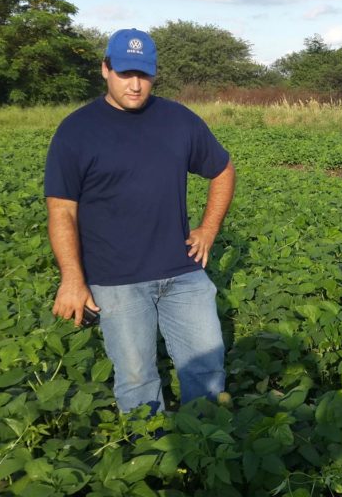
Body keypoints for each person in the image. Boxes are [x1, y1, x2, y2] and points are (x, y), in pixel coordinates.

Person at [44, 28, 236, 413]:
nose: (135, 84)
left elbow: (222, 169)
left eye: (144, 74)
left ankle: (209, 455)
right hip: (116, 280)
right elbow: (62, 210)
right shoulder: (76, 131)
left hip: (182, 272)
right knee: (136, 381)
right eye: (125, 73)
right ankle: (152, 461)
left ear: (154, 74)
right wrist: (72, 279)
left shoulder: (178, 120)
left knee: (208, 375)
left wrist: (208, 229)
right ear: (105, 69)